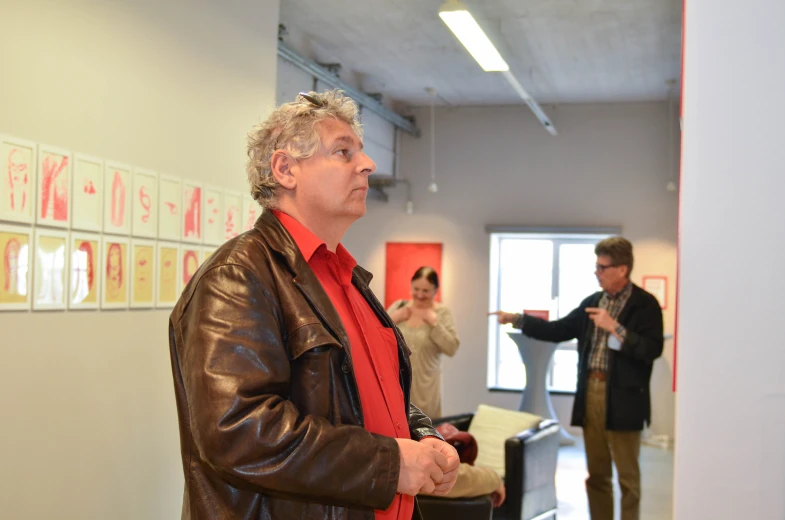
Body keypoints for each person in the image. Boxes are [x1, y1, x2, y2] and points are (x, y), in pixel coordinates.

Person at [168, 89, 460, 520]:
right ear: (285, 169)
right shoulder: (238, 276)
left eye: (359, 151)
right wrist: (390, 463)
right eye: (343, 152)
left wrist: (421, 436)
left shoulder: (347, 277)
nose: (368, 164)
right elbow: (239, 432)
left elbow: (365, 396)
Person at [490, 237, 663, 520]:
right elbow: (558, 329)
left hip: (625, 398)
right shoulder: (593, 302)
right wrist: (518, 319)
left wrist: (615, 327)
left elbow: (652, 349)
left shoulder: (645, 305)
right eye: (596, 266)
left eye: (602, 267)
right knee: (597, 474)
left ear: (622, 269)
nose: (597, 272)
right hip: (591, 391)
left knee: (628, 478)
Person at [387, 266, 460, 419]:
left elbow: (452, 348)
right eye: (416, 289)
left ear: (435, 291)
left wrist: (435, 324)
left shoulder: (442, 313)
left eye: (426, 291)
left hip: (426, 388)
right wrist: (394, 319)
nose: (420, 295)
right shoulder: (398, 307)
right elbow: (373, 337)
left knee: (425, 433)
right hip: (396, 384)